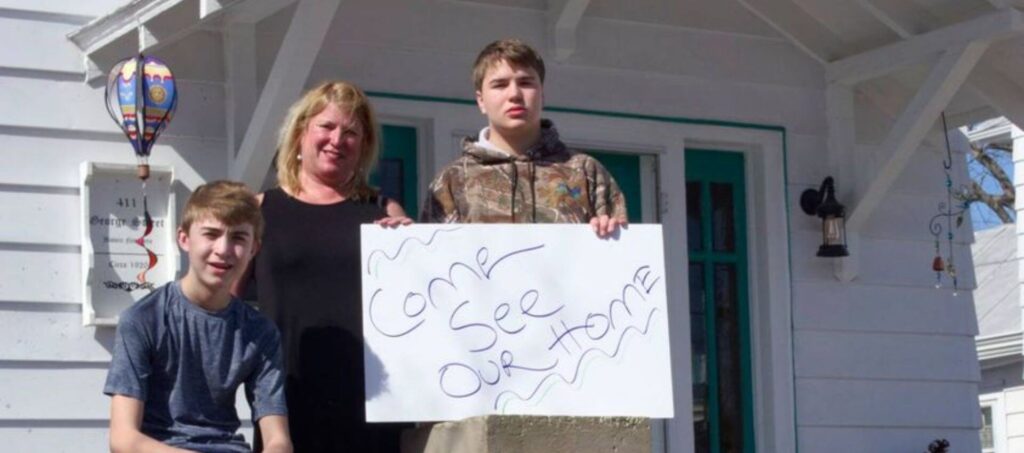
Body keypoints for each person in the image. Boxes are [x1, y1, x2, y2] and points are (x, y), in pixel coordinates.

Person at [236, 81, 411, 452]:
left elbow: (416, 311)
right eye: (326, 127)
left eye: (350, 132)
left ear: (363, 146)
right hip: (285, 403)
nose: (337, 139)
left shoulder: (385, 212)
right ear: (300, 134)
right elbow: (224, 307)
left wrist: (413, 251)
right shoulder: (259, 211)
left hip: (373, 401)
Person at [105, 181, 291, 453]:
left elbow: (278, 438)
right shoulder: (144, 319)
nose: (223, 249)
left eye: (238, 238)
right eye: (211, 234)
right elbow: (123, 440)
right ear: (184, 239)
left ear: (254, 249)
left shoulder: (260, 331)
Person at [422, 38, 627, 235]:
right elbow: (431, 261)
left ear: (542, 94)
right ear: (481, 100)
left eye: (525, 83)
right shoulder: (453, 180)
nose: (515, 94)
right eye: (500, 85)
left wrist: (610, 232)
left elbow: (621, 258)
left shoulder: (585, 173)